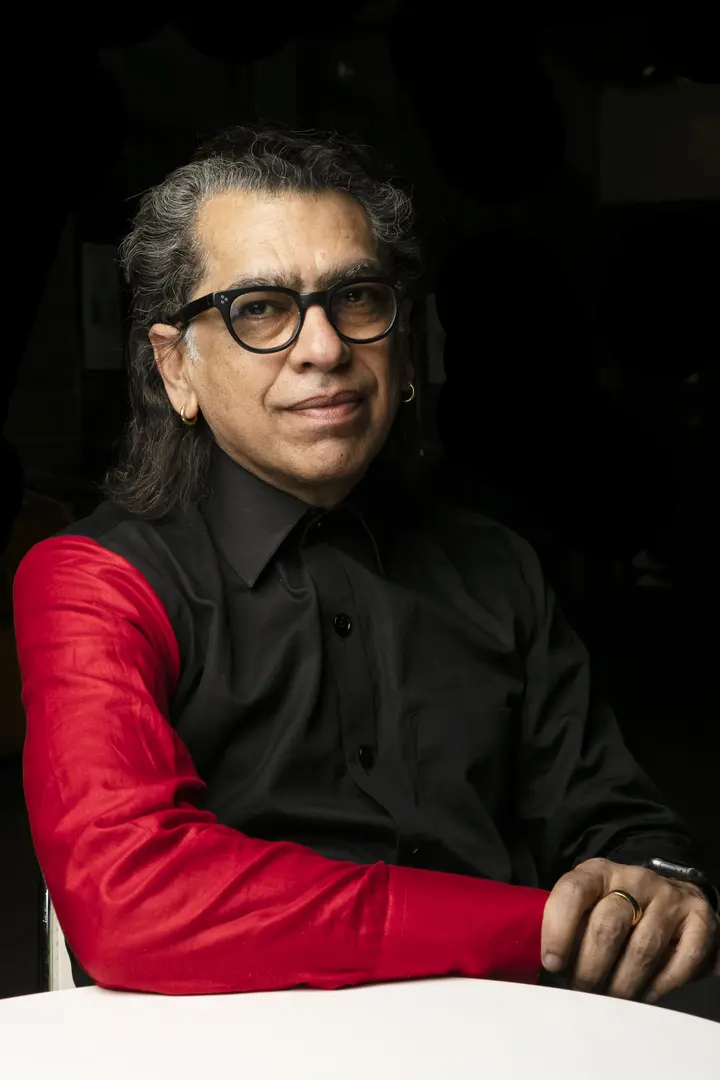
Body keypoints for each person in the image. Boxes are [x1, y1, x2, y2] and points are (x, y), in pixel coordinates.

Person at [14, 128, 718, 1007]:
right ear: (175, 367)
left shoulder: (494, 565)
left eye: (355, 297)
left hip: (507, 1042)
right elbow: (136, 898)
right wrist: (536, 930)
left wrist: (657, 889)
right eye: (259, 308)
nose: (324, 347)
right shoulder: (94, 580)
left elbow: (618, 823)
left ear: (403, 341)